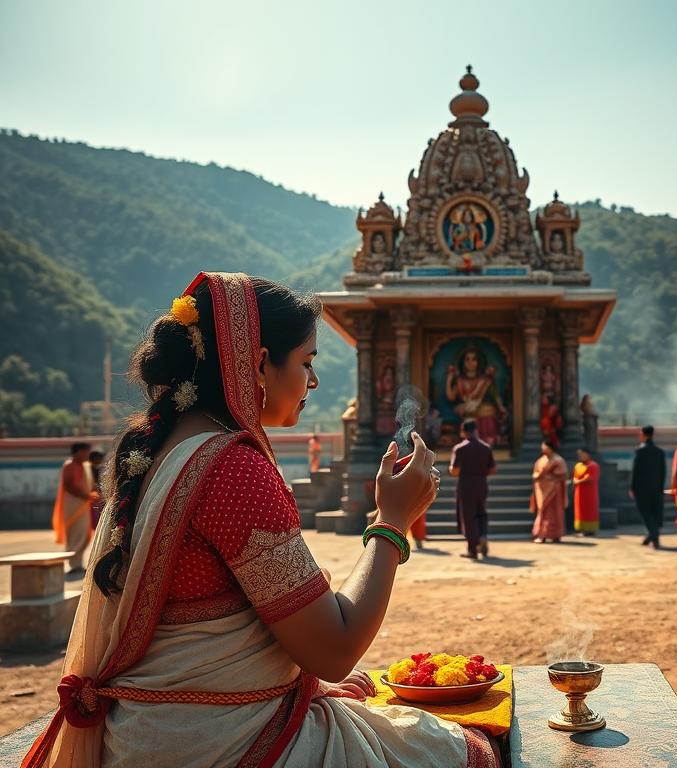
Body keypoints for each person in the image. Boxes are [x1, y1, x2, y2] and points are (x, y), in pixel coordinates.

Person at [24, 272, 498, 767]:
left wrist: (309, 683)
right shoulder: (232, 468)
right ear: (257, 363)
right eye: (306, 362)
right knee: (468, 752)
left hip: (150, 732)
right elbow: (334, 649)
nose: (313, 382)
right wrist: (392, 521)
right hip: (226, 742)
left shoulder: (156, 450)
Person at [449, 418, 496, 560]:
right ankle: (483, 535)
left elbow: (455, 471)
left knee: (469, 516)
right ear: (476, 431)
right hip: (482, 483)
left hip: (466, 484)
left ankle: (472, 549)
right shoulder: (486, 447)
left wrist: (452, 469)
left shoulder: (460, 448)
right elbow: (492, 470)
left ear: (463, 432)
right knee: (481, 512)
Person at [52, 441, 97, 575]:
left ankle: (77, 563)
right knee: (75, 534)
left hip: (84, 505)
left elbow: (89, 485)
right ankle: (72, 564)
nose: (87, 454)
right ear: (77, 452)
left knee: (85, 535)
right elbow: (68, 486)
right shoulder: (69, 465)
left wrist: (92, 495)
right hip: (73, 505)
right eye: (85, 452)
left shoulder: (86, 466)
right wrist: (86, 496)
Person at [630, 425, 666, 547]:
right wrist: (661, 488)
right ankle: (652, 538)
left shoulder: (640, 451)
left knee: (645, 512)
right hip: (656, 487)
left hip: (641, 488)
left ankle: (654, 534)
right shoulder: (660, 452)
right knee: (654, 511)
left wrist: (632, 487)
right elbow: (663, 472)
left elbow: (636, 471)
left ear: (644, 434)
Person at [531, 440, 568, 543]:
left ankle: (555, 534)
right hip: (541, 490)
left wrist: (550, 475)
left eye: (545, 447)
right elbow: (535, 473)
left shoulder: (558, 460)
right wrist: (537, 476)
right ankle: (541, 534)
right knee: (542, 511)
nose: (543, 449)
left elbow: (563, 474)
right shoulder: (540, 460)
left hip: (553, 490)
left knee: (554, 512)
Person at [572, 446, 600, 536]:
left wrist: (578, 481)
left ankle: (590, 530)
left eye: (582, 454)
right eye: (579, 455)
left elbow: (590, 478)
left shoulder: (593, 465)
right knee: (580, 510)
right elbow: (574, 477)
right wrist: (576, 480)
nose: (580, 456)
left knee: (589, 509)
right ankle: (581, 529)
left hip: (589, 493)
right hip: (579, 492)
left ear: (587, 455)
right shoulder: (578, 466)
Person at [88, 449, 106, 529]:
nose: (100, 460)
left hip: (100, 495)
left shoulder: (101, 468)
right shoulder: (88, 468)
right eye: (98, 458)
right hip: (90, 495)